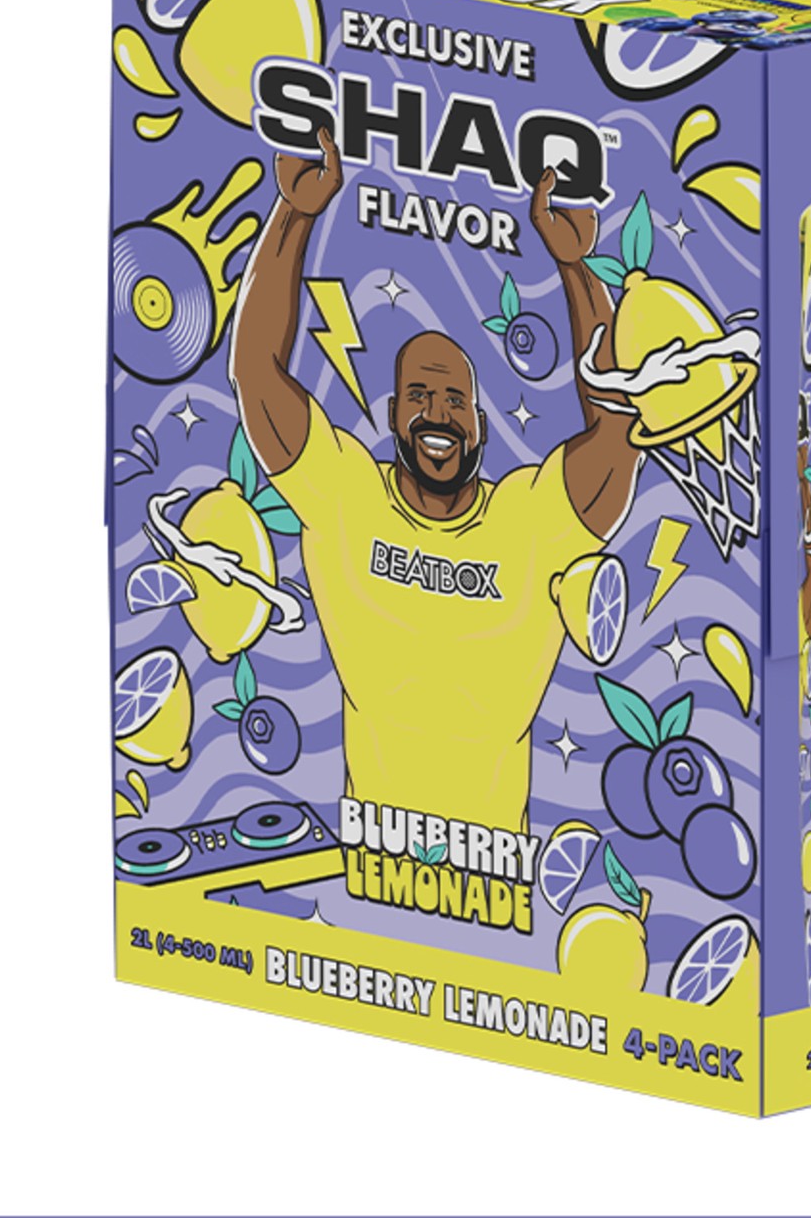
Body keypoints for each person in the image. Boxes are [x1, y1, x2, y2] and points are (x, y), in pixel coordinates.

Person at [229, 127, 641, 829]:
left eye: (454, 399)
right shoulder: (346, 495)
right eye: (419, 395)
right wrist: (294, 215)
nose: (438, 414)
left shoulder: (529, 522)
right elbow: (256, 374)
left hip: (500, 875)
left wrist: (576, 270)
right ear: (393, 415)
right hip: (368, 868)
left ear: (479, 424)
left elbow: (617, 432)